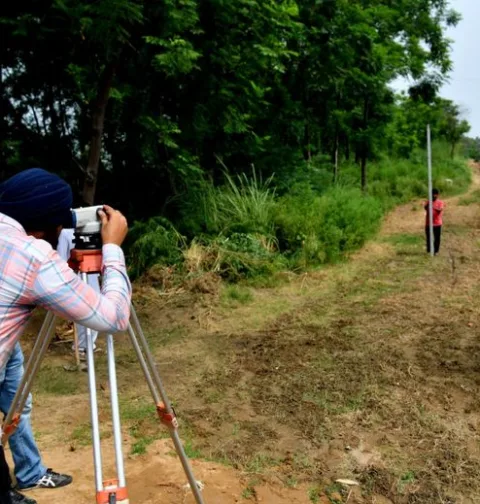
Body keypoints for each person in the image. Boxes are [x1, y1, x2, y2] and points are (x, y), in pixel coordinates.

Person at [0, 168, 131, 504]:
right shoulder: (33, 256)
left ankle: (25, 474)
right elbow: (114, 317)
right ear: (42, 230)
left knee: (15, 391)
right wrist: (112, 249)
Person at [57, 228, 101, 359]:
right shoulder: (66, 233)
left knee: (96, 310)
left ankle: (90, 344)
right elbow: (61, 258)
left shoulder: (95, 231)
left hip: (92, 275)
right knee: (82, 312)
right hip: (76, 277)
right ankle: (81, 346)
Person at [424, 188, 445, 255]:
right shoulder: (428, 202)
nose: (434, 196)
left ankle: (436, 251)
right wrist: (429, 203)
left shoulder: (440, 202)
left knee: (437, 238)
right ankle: (429, 250)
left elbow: (440, 210)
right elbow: (425, 208)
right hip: (428, 223)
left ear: (437, 195)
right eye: (433, 194)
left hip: (437, 223)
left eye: (435, 194)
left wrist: (433, 207)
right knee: (429, 237)